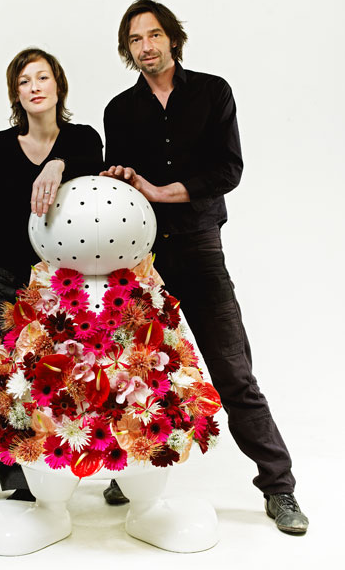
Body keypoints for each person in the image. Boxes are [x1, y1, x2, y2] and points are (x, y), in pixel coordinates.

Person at [99, 0, 309, 534]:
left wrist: (161, 191)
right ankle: (130, 474)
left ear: (173, 38)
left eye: (153, 35)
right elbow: (120, 184)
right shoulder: (119, 110)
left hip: (199, 247)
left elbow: (228, 169)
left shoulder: (214, 92)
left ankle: (279, 488)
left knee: (234, 373)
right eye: (135, 40)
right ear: (127, 50)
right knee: (132, 373)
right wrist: (122, 179)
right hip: (142, 255)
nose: (145, 46)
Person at [0, 48, 103, 500]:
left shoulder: (83, 139)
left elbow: (91, 163)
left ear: (58, 85)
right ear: (16, 94)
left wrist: (57, 163)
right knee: (2, 384)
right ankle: (21, 482)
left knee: (39, 383)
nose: (34, 87)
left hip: (51, 286)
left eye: (42, 77)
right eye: (24, 81)